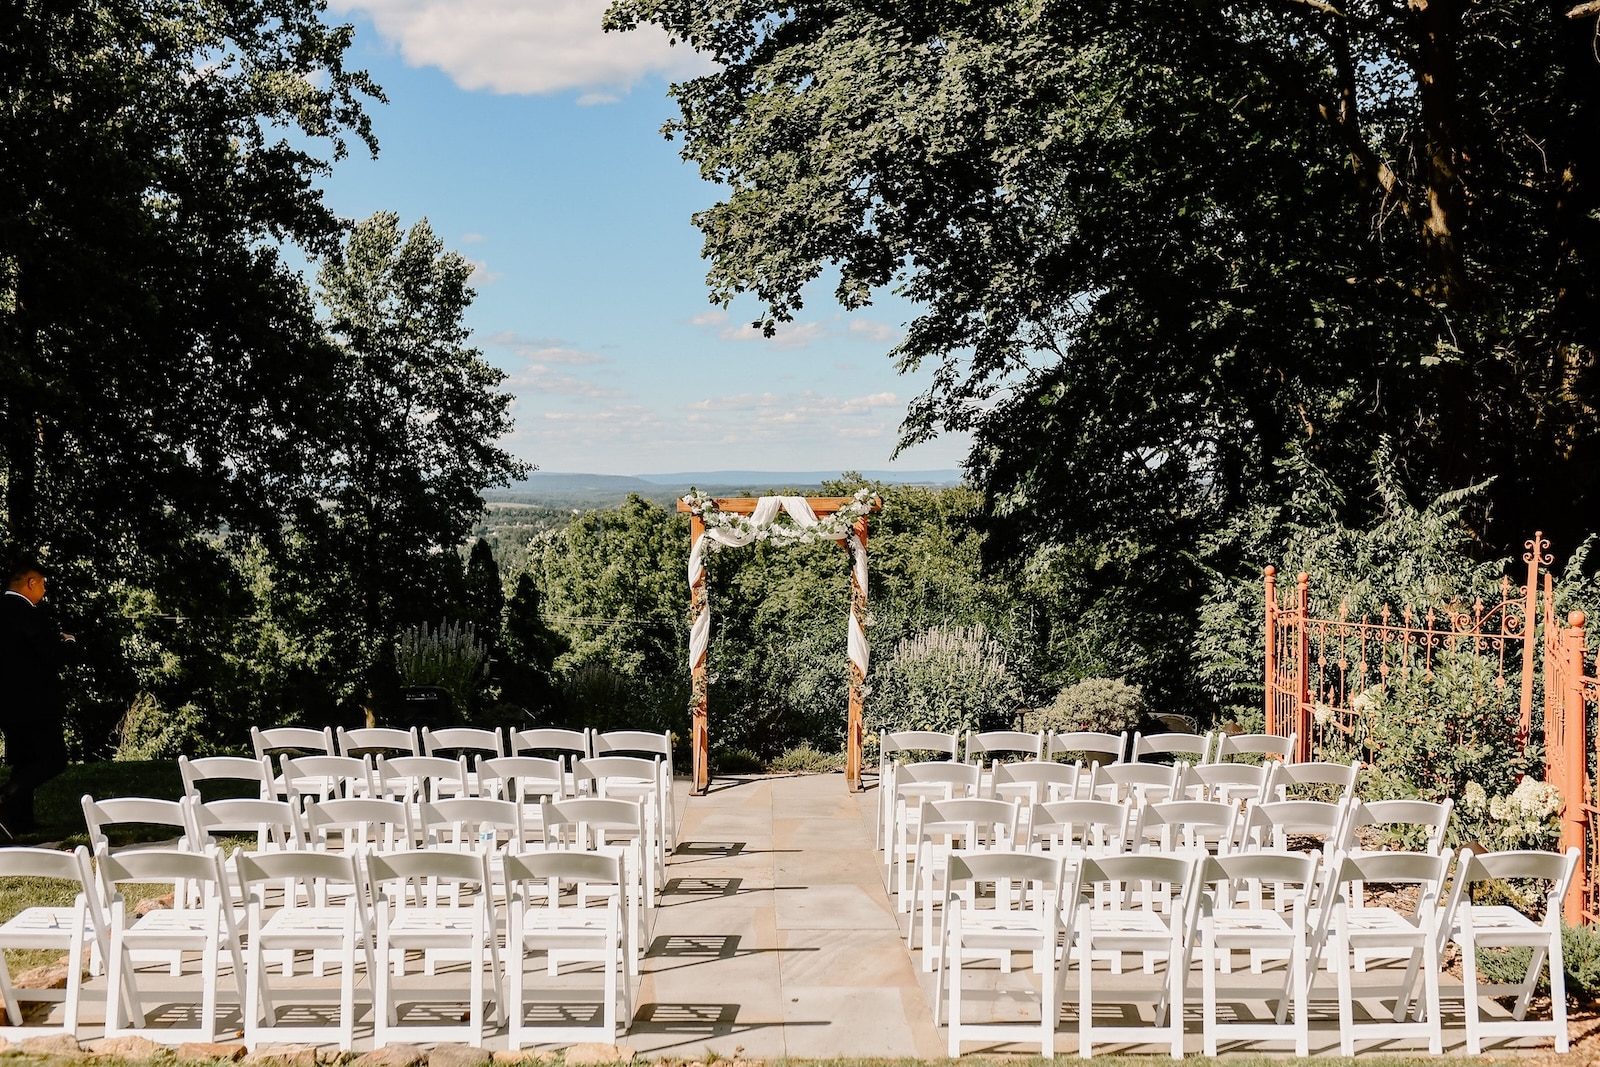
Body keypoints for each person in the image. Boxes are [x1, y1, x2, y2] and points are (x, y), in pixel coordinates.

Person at [0, 556, 71, 834]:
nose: (43, 591)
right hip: (35, 702)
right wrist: (68, 643)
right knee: (52, 759)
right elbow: (50, 656)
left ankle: (19, 822)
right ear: (31, 583)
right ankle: (5, 796)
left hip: (6, 703)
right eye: (42, 584)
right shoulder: (29, 614)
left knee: (25, 761)